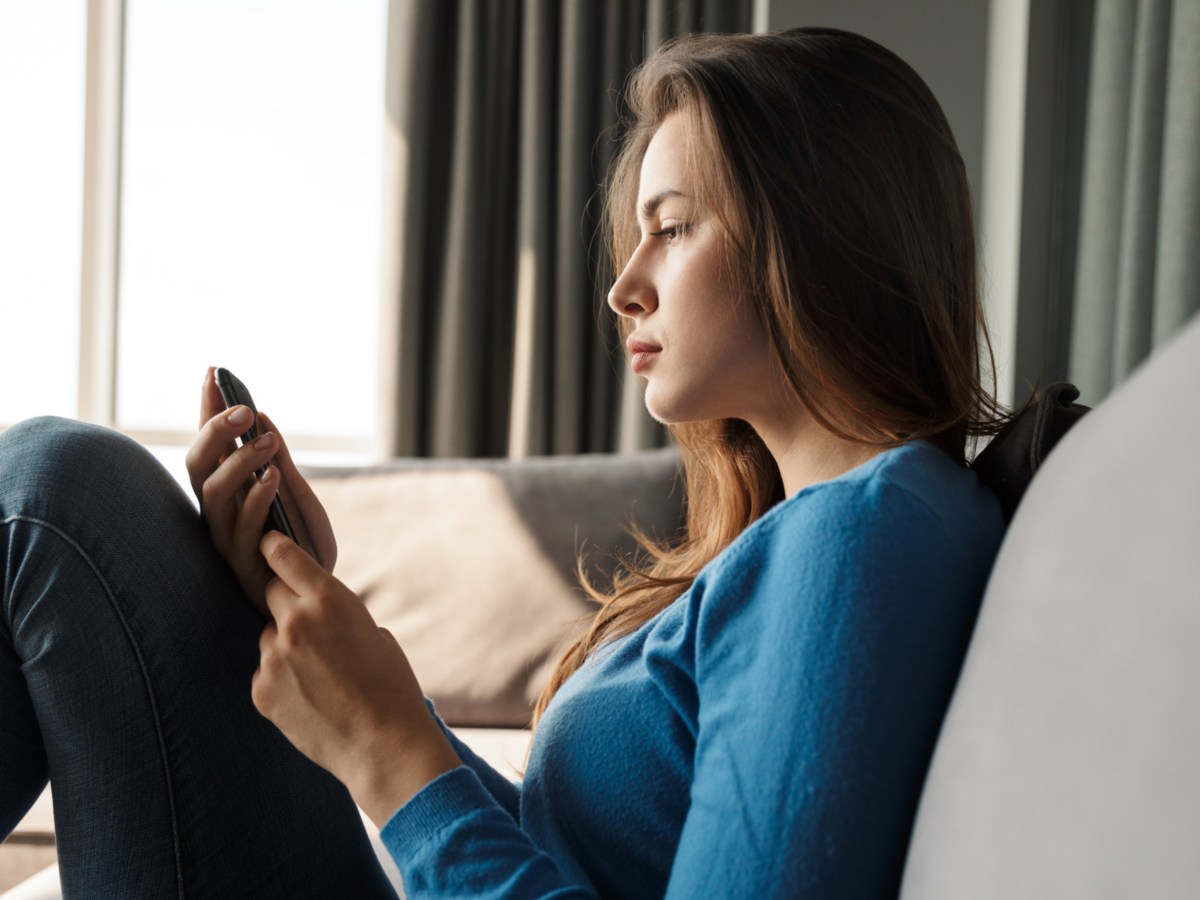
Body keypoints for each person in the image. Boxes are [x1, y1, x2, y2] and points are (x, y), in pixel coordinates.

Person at [0, 27, 1008, 898]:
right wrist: (341, 650)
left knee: (59, 498)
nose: (623, 286)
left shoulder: (863, 534)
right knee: (66, 494)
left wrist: (394, 756)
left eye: (671, 228)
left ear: (819, 234)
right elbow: (566, 855)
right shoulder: (840, 528)